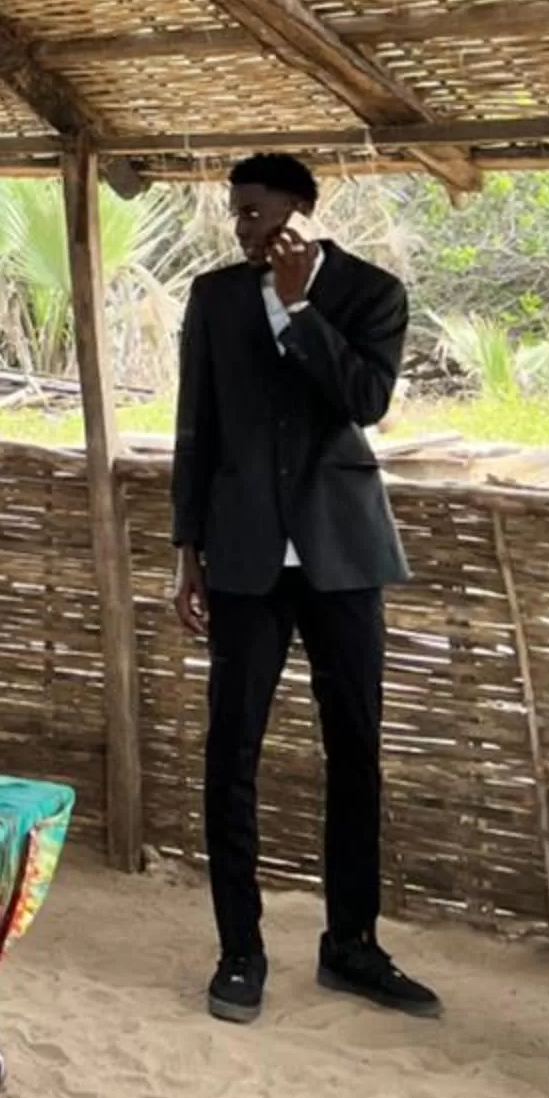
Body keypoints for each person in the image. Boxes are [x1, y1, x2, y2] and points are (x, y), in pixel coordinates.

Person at [173, 151, 441, 1026]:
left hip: (342, 555)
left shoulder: (371, 293)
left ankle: (351, 947)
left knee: (355, 751)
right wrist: (187, 553)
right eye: (234, 213)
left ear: (299, 209)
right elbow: (197, 427)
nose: (241, 226)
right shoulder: (213, 299)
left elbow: (364, 401)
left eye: (254, 211)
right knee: (231, 756)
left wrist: (297, 307)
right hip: (246, 556)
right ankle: (239, 950)